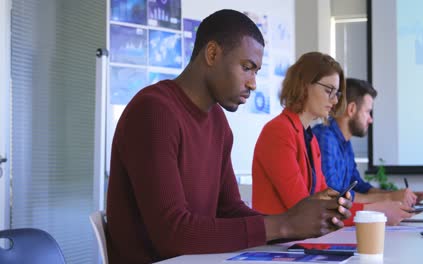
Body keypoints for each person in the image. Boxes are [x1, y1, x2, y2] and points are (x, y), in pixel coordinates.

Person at [106, 10, 352, 263]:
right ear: (212, 54)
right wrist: (284, 224)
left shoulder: (217, 122)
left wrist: (300, 224)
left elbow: (229, 210)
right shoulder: (154, 111)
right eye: (247, 68)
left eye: (256, 71)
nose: (253, 83)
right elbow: (172, 233)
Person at [252, 52, 413, 226]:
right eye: (329, 90)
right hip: (279, 246)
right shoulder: (279, 131)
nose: (335, 100)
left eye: (336, 93)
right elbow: (304, 209)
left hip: (302, 240)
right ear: (304, 85)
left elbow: (328, 198)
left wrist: (377, 208)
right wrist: (374, 211)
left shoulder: (310, 138)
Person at [313, 78, 423, 206]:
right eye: (367, 112)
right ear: (352, 109)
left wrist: (408, 196)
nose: (370, 119)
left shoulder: (345, 142)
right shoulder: (325, 139)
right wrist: (390, 197)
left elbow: (359, 187)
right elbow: (336, 195)